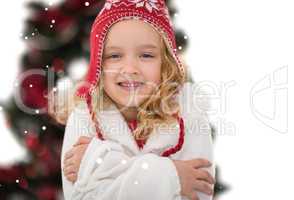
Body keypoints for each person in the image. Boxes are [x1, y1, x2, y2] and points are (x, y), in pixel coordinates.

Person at [60, 0, 215, 199]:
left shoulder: (189, 114)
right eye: (115, 56)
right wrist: (173, 176)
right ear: (98, 65)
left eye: (146, 55)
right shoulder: (83, 117)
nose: (130, 68)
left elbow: (197, 192)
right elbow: (81, 196)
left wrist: (102, 161)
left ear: (165, 63)